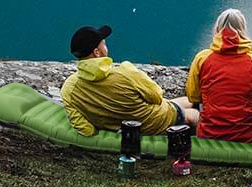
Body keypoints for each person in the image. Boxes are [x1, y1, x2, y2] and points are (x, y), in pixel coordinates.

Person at [61, 24, 197, 138]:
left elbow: (86, 129)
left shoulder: (69, 88)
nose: (106, 46)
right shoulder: (125, 71)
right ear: (97, 52)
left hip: (124, 129)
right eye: (104, 44)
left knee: (186, 101)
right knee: (191, 114)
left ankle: (195, 104)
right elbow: (156, 96)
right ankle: (209, 129)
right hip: (155, 123)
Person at [186, 9, 252, 142]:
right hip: (250, 136)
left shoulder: (202, 58)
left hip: (209, 134)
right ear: (243, 30)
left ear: (217, 29)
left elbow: (193, 96)